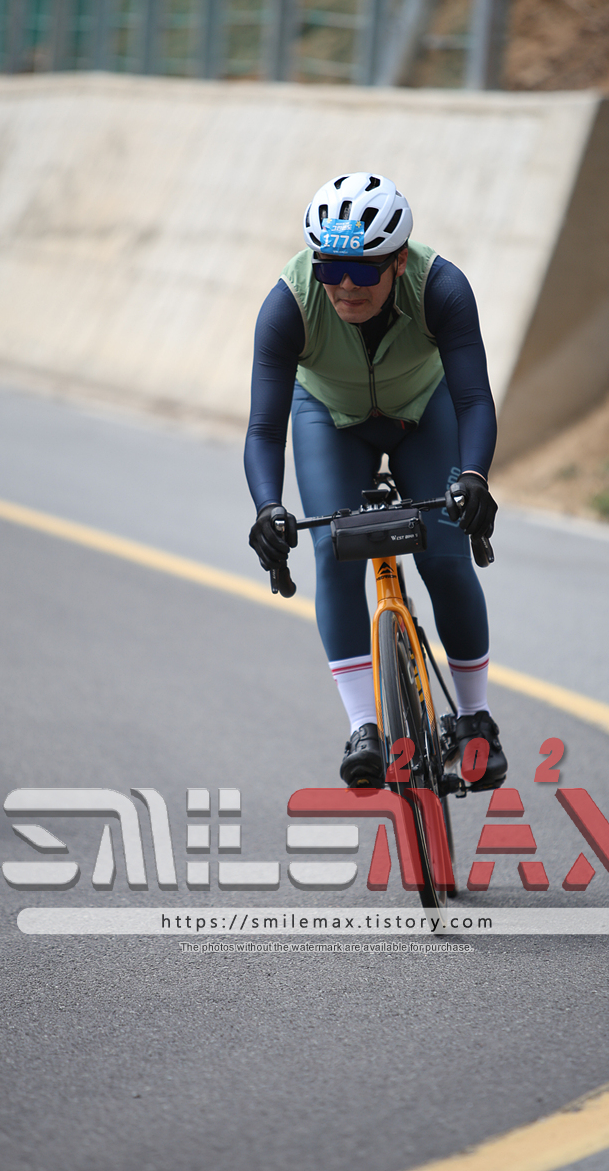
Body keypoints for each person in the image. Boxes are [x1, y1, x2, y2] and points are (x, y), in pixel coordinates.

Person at [244, 171, 507, 790]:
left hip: (424, 410)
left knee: (445, 555)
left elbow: (474, 399)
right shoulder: (289, 303)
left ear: (398, 261)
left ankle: (474, 719)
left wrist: (474, 477)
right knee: (333, 552)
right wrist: (267, 507)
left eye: (362, 271)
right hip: (330, 417)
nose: (344, 285)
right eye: (330, 267)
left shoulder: (441, 287)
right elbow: (264, 428)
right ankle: (364, 724)